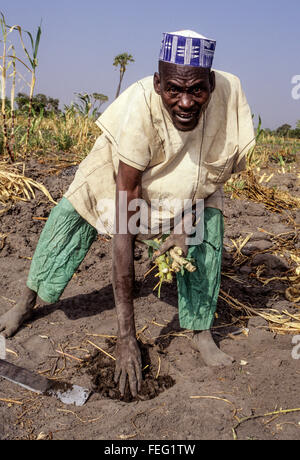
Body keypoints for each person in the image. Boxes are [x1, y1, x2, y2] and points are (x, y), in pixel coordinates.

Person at [0, 30, 255, 398]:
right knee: (68, 221)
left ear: (211, 83)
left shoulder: (229, 98)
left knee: (207, 233)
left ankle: (201, 330)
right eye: (173, 91)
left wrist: (188, 223)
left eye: (197, 90)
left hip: (188, 187)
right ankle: (25, 303)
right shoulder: (139, 110)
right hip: (117, 176)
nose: (185, 102)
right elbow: (125, 226)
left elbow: (214, 174)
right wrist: (125, 338)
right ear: (157, 83)